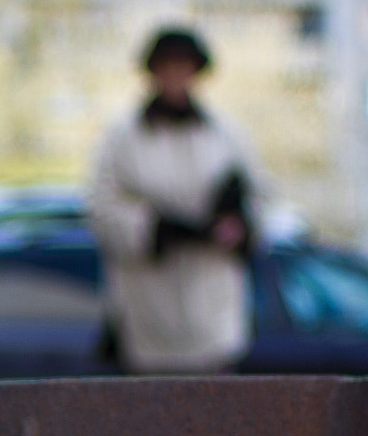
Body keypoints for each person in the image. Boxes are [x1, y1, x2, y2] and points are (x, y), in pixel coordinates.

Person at [89, 27, 258, 373]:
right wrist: (158, 229)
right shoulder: (123, 139)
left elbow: (260, 199)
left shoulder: (225, 136)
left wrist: (237, 225)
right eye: (167, 67)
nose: (176, 77)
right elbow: (102, 210)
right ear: (152, 73)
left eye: (184, 67)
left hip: (213, 316)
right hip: (149, 316)